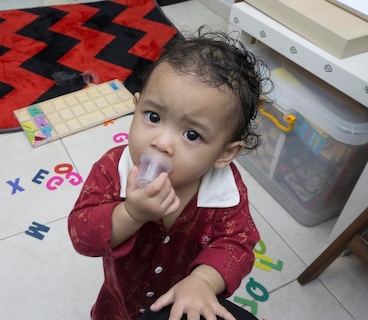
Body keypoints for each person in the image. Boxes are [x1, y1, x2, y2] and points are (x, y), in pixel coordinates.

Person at [68, 28, 271, 320]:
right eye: (153, 117)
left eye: (191, 134)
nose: (161, 142)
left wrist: (203, 280)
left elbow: (237, 243)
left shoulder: (226, 192)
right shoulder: (112, 168)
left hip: (181, 306)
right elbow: (82, 235)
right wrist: (130, 215)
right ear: (136, 107)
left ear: (224, 153)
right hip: (120, 301)